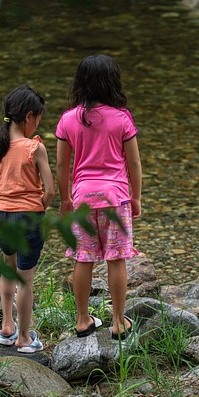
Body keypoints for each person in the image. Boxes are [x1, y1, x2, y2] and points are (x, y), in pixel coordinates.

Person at [56, 54, 142, 340]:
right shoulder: (121, 118)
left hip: (81, 200)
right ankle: (118, 322)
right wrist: (136, 197)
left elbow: (61, 166)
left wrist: (65, 200)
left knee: (83, 258)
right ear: (111, 82)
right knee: (116, 259)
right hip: (115, 198)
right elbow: (134, 164)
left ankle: (82, 320)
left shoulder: (68, 120)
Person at [0, 84, 55, 353]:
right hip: (27, 216)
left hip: (0, 216)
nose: (38, 123)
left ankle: (6, 327)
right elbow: (50, 191)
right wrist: (38, 209)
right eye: (39, 118)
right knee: (26, 279)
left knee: (8, 268)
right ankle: (24, 338)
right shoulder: (34, 148)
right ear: (29, 117)